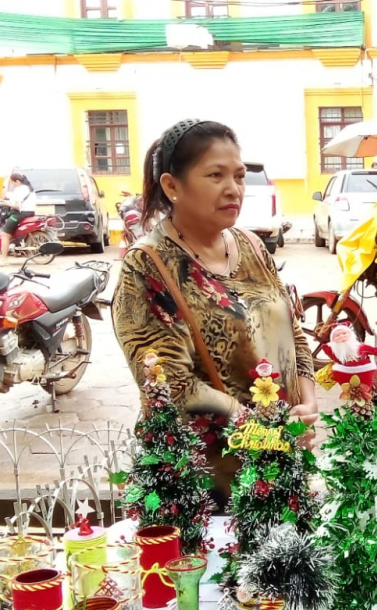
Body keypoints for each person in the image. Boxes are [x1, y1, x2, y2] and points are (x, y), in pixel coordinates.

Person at [112, 119, 318, 503]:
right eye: (216, 175)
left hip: (282, 468)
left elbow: (291, 332)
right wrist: (266, 433)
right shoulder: (149, 266)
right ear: (172, 186)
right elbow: (172, 386)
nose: (234, 189)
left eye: (239, 176)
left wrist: (306, 402)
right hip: (204, 482)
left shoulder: (253, 247)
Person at [0, 173, 36, 263]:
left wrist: (6, 203)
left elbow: (17, 206)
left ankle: (3, 259)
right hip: (30, 213)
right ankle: (14, 243)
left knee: (5, 234)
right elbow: (5, 196)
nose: (12, 185)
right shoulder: (28, 188)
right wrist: (6, 181)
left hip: (20, 214)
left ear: (17, 181)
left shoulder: (20, 189)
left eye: (12, 183)